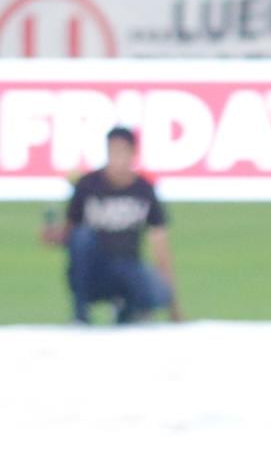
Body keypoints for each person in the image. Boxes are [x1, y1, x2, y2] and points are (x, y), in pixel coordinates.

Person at [48, 124, 177, 323]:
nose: (117, 159)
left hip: (128, 266)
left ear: (133, 153)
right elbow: (70, 234)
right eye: (112, 152)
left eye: (122, 152)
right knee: (82, 236)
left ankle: (128, 308)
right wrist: (53, 235)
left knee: (158, 291)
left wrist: (174, 306)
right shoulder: (88, 185)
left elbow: (160, 245)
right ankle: (80, 312)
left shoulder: (144, 190)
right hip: (95, 269)